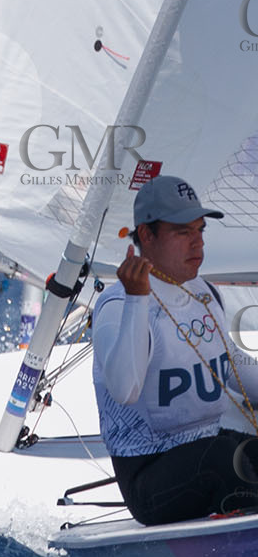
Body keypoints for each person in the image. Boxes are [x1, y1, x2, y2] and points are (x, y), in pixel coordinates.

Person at [93, 175, 258, 526]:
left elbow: (237, 371)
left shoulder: (204, 293)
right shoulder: (117, 305)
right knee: (225, 458)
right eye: (183, 233)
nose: (197, 244)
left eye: (200, 231)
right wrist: (138, 297)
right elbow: (125, 389)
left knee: (236, 454)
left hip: (211, 448)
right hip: (150, 473)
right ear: (147, 236)